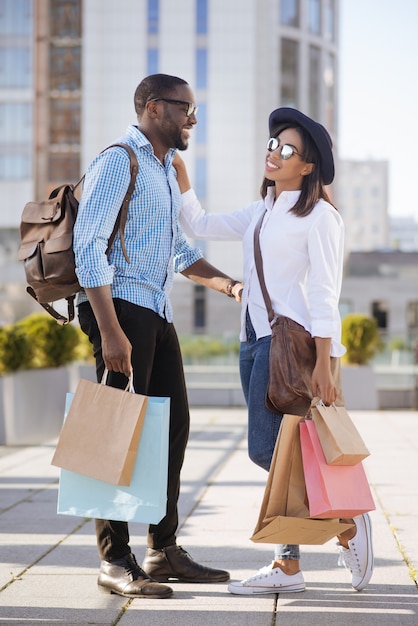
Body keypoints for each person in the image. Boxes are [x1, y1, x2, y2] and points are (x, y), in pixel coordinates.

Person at [173, 107, 374, 594]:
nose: (274, 152)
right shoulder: (261, 210)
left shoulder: (321, 217)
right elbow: (199, 223)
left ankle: (344, 521)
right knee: (281, 449)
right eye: (272, 144)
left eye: (287, 149)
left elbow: (326, 292)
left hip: (292, 342)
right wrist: (180, 174)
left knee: (267, 448)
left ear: (307, 167)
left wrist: (327, 361)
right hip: (254, 338)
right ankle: (292, 563)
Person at [73, 73, 243, 600]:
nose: (192, 118)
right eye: (184, 107)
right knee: (113, 433)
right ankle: (113, 559)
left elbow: (177, 252)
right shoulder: (117, 160)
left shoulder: (165, 170)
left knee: (171, 429)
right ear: (152, 108)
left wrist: (230, 285)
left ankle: (162, 549)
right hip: (119, 308)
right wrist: (111, 331)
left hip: (156, 309)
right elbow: (87, 244)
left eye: (194, 108)